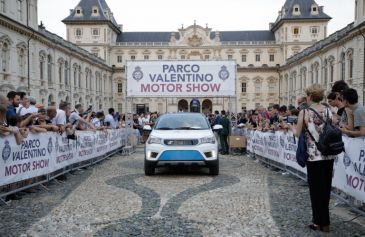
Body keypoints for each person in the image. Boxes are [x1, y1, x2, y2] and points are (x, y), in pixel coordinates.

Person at [290, 84, 335, 232]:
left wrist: (291, 128)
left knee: (316, 191)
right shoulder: (329, 110)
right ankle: (326, 222)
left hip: (314, 156)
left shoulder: (305, 112)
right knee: (326, 189)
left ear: (309, 97)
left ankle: (318, 222)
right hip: (328, 155)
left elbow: (297, 133)